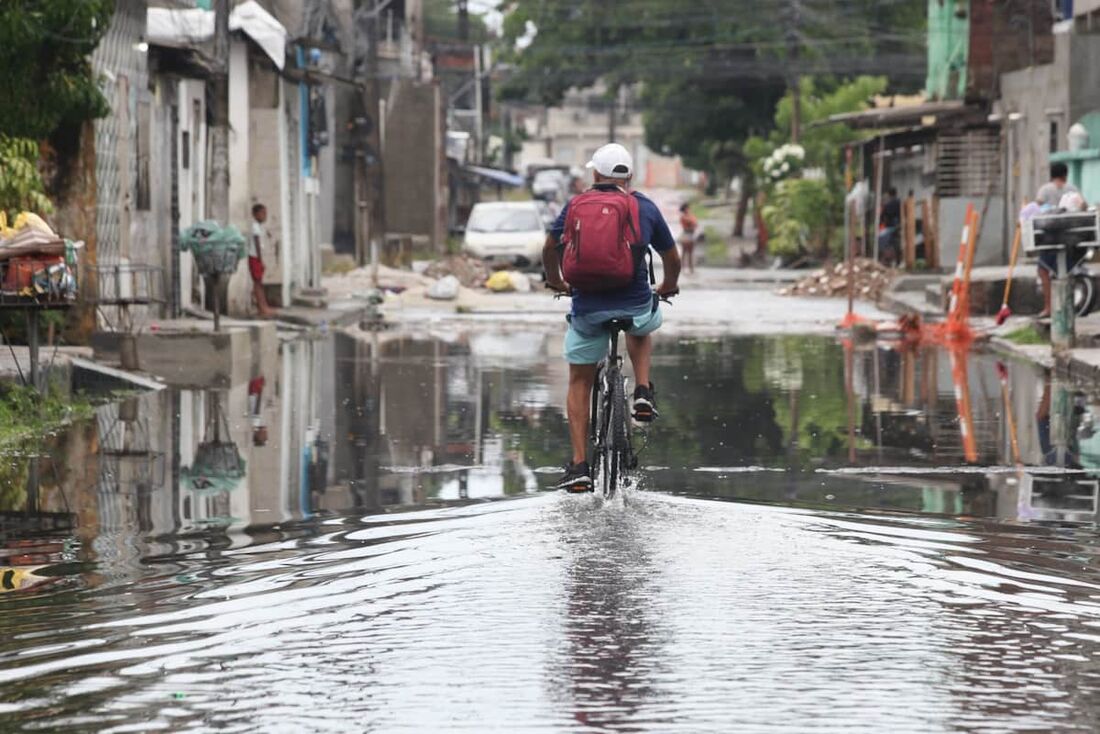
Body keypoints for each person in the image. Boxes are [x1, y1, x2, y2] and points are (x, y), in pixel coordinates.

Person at [543, 143, 681, 492]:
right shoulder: (643, 206)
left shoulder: (576, 204)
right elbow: (671, 256)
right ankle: (643, 392)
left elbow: (549, 247)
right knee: (643, 321)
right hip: (633, 303)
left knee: (579, 381)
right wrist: (667, 286)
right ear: (629, 176)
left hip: (588, 308)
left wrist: (556, 280)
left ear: (595, 174)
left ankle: (579, 466)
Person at [1036, 162, 1081, 317]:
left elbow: (1037, 209)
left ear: (1051, 175)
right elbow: (1082, 205)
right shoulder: (1072, 189)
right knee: (1067, 271)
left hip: (1050, 238)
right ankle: (1070, 307)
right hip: (1070, 238)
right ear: (1065, 175)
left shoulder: (1045, 189)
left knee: (1044, 270)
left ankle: (1049, 308)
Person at [250, 203, 275, 318]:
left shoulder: (259, 227)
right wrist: (260, 259)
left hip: (258, 258)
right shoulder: (255, 227)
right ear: (256, 215)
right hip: (255, 257)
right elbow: (256, 244)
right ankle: (261, 307)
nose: (265, 216)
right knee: (257, 283)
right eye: (263, 213)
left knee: (259, 283)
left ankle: (264, 306)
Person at [877, 187, 901, 265]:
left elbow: (882, 216)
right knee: (896, 243)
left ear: (889, 195)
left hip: (889, 226)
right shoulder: (899, 203)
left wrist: (880, 224)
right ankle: (897, 260)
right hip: (898, 225)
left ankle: (887, 259)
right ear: (896, 193)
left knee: (886, 243)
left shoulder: (887, 205)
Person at [678, 202, 699, 275]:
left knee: (690, 253)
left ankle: (691, 268)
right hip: (686, 234)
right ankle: (682, 268)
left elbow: (695, 224)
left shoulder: (690, 216)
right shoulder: (684, 217)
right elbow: (691, 224)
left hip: (691, 235)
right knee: (684, 252)